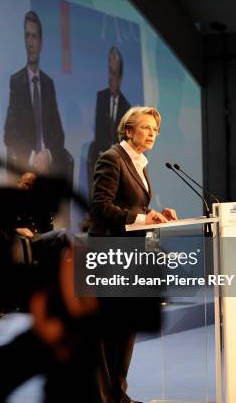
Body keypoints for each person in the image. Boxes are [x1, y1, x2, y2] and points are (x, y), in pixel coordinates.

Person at [89, 106, 177, 403]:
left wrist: (154, 214)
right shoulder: (112, 158)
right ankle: (102, 397)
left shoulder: (140, 162)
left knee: (125, 330)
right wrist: (142, 219)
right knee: (106, 333)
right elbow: (101, 206)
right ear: (128, 130)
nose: (152, 133)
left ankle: (119, 395)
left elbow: (133, 206)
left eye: (155, 129)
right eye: (146, 128)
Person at [4, 11, 71, 180]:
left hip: (48, 163)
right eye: (27, 36)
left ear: (40, 43)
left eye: (34, 37)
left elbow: (59, 133)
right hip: (27, 161)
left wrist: (47, 155)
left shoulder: (48, 84)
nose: (30, 43)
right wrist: (33, 157)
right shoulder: (16, 81)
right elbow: (9, 133)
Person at [87, 46, 132, 200]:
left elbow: (125, 140)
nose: (110, 78)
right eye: (109, 72)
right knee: (92, 150)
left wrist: (112, 152)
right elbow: (99, 129)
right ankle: (93, 205)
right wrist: (104, 150)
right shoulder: (102, 97)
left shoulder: (127, 107)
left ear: (120, 77)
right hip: (102, 150)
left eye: (113, 73)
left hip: (118, 154)